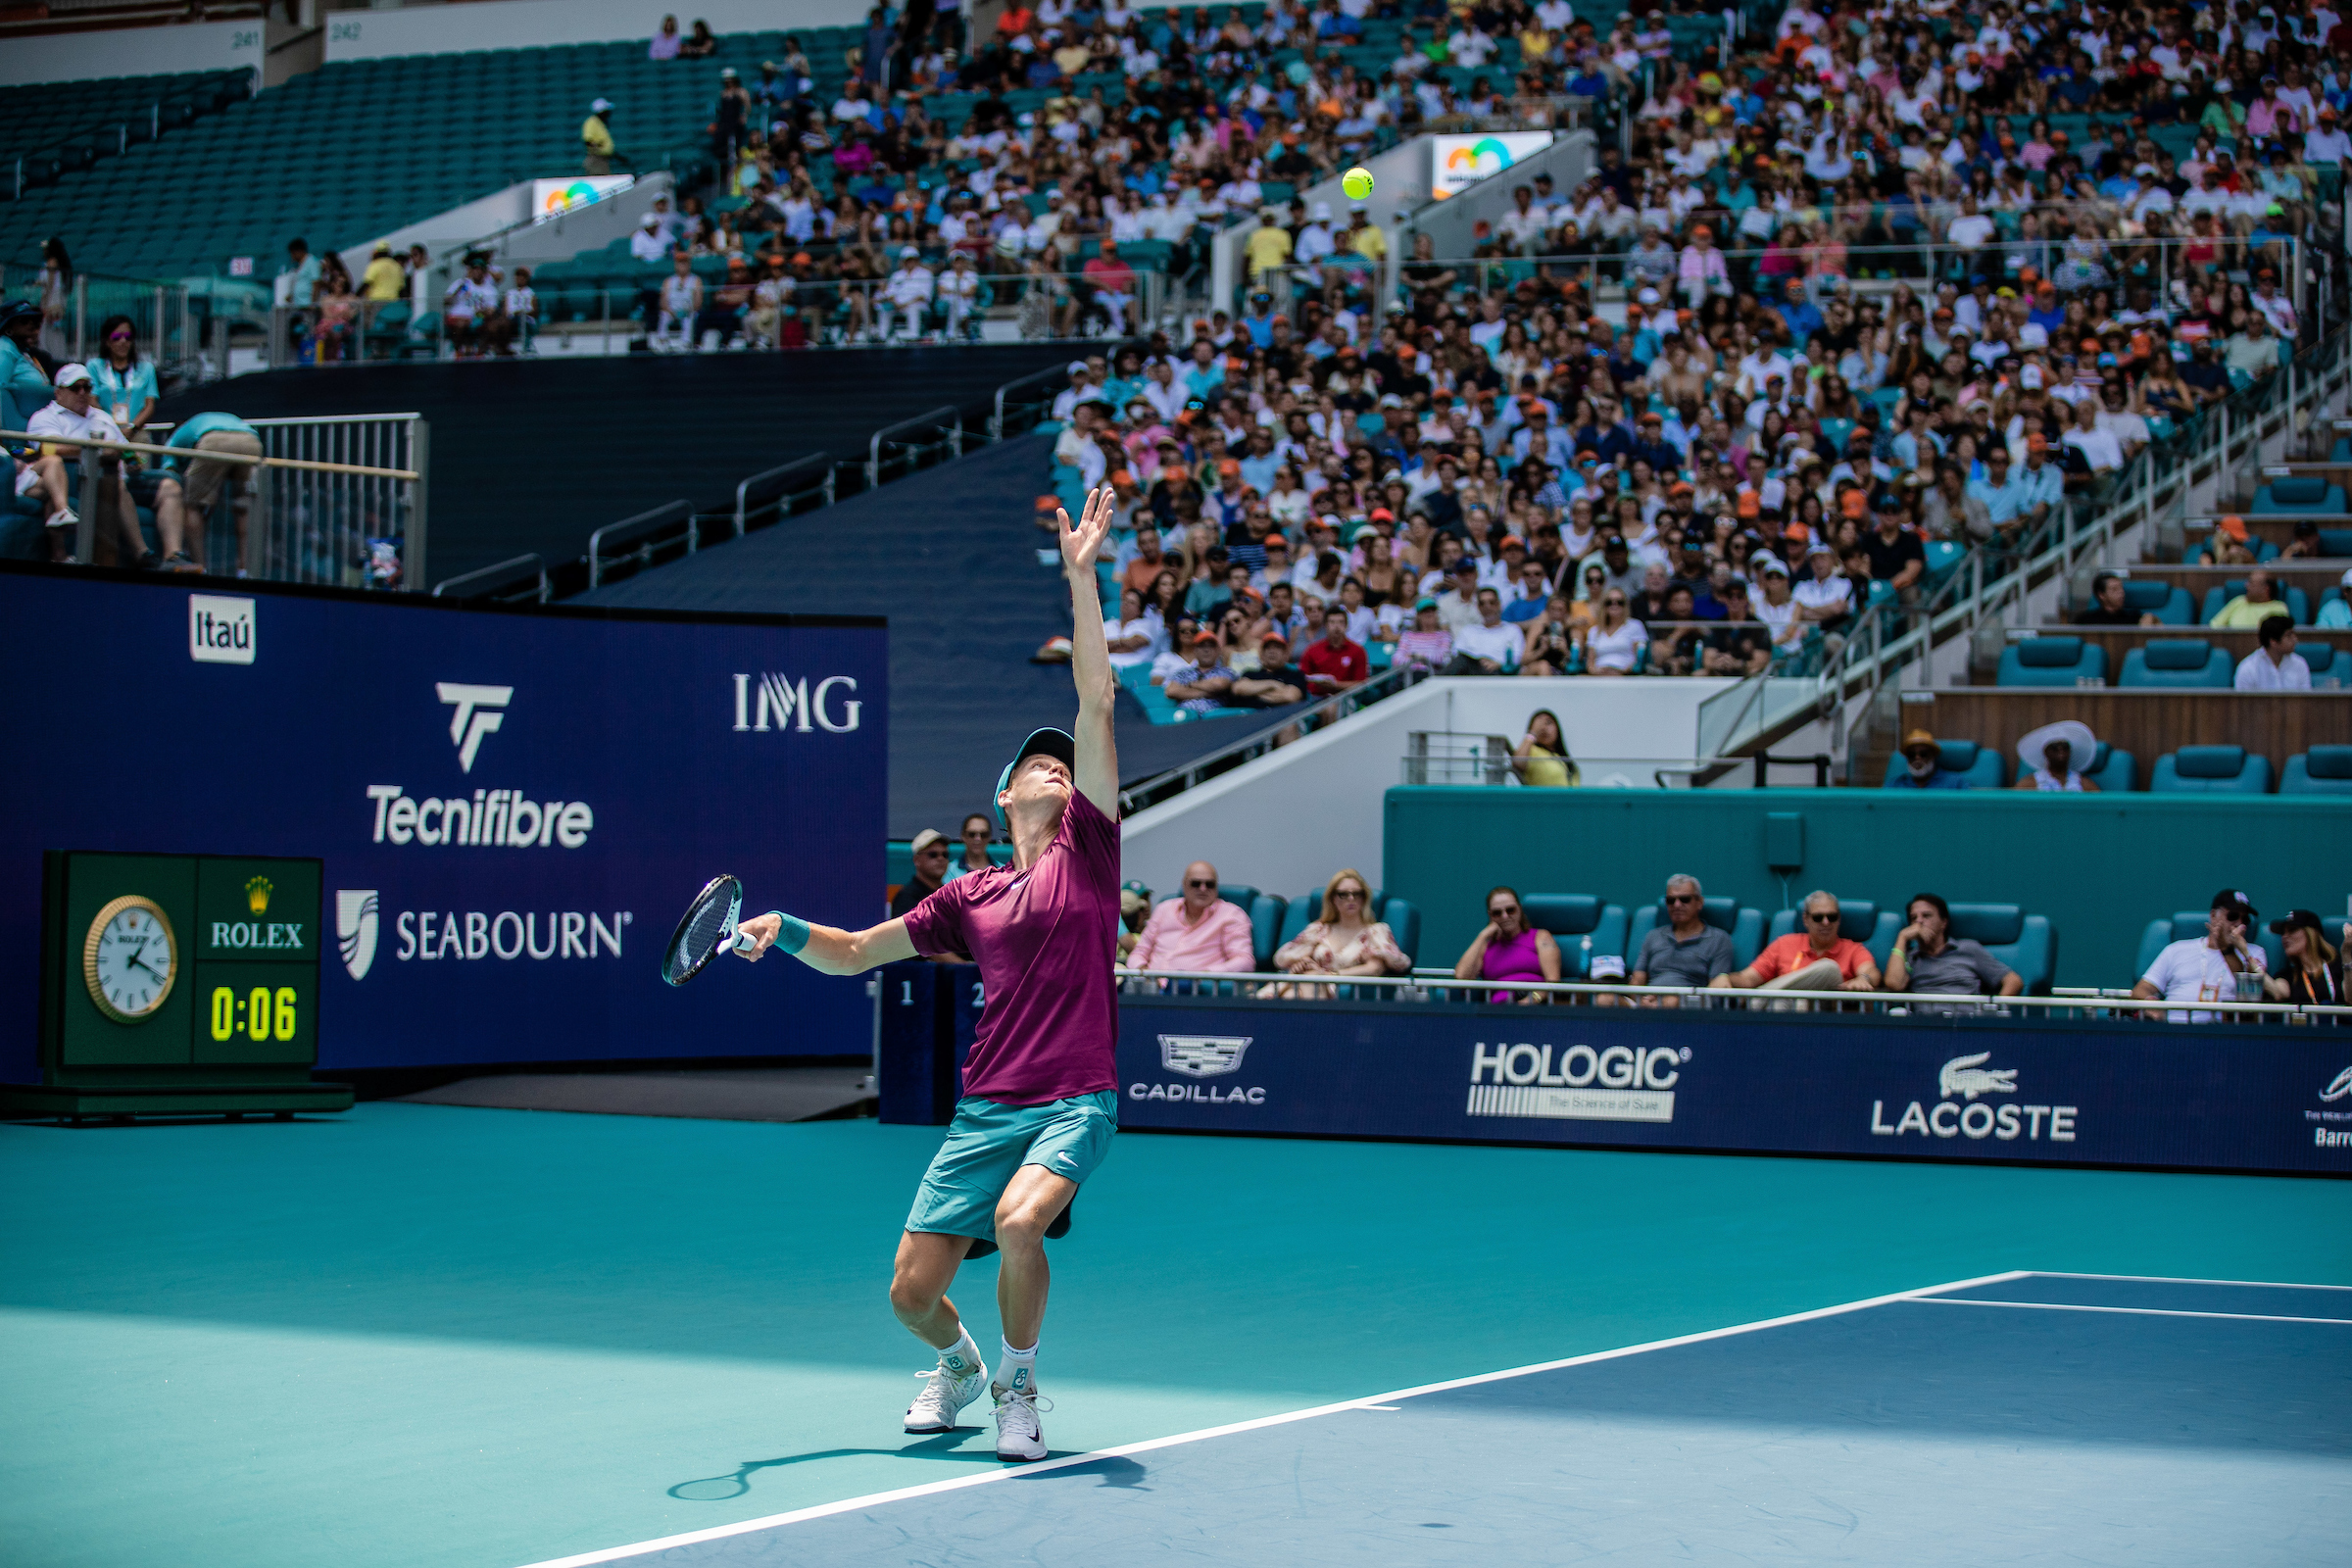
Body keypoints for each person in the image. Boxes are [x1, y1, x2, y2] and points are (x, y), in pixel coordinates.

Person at [733, 485, 1123, 1463]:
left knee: (1019, 1219)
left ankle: (1019, 1388)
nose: (1056, 766)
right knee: (911, 1290)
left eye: (1064, 764)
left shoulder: (1092, 852)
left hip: (1075, 1095)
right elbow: (858, 950)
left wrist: (1082, 580)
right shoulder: (971, 896)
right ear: (1002, 792)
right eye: (1038, 764)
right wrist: (783, 928)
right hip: (987, 1104)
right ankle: (956, 1364)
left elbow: (1096, 698)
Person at [19, 363, 143, 565]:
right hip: (85, 481)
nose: (83, 393)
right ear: (58, 393)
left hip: (125, 476)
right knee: (113, 485)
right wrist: (98, 448)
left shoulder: (102, 416)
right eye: (76, 388)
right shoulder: (45, 417)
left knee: (168, 486)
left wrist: (135, 461)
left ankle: (172, 557)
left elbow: (127, 449)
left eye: (87, 388)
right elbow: (49, 450)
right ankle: (141, 555)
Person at [1265, 868, 1408, 999]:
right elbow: (1283, 958)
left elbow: (1375, 968)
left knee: (1310, 981)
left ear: (1364, 898)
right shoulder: (1318, 929)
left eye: (1357, 894)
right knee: (1291, 995)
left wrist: (1329, 975)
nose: (1351, 899)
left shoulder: (1375, 931)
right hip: (1311, 985)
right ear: (1333, 899)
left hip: (1344, 990)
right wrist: (1301, 962)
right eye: (1343, 895)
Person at [2132, 889, 2267, 1023]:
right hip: (2174, 1030)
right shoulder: (2177, 949)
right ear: (2213, 915)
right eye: (2232, 916)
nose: (2239, 924)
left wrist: (2226, 949)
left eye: (2245, 919)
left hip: (2223, 1034)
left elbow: (2249, 996)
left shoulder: (2253, 953)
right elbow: (2141, 990)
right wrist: (2152, 1005)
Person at [1713, 890, 1880, 994]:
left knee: (1829, 968)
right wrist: (1725, 978)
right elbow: (1748, 978)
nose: (1826, 923)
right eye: (1818, 918)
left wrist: (1864, 979)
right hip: (1788, 1017)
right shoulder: (1784, 944)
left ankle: (1763, 996)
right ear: (1806, 920)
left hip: (1828, 1016)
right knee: (1788, 1003)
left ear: (1839, 920)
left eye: (1832, 917)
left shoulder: (1853, 949)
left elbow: (1871, 972)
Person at [1882, 893, 2022, 1007]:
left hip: (1967, 1024)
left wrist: (1994, 1013)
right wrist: (1902, 937)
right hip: (1927, 1027)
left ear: (1943, 923)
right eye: (1913, 918)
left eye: (1927, 916)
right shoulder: (1910, 957)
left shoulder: (1968, 949)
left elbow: (2013, 981)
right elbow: (1895, 984)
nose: (1919, 922)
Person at [1622, 874, 1737, 1005]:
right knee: (1605, 999)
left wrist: (1665, 1003)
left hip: (1688, 1007)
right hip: (1647, 1002)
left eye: (1685, 899)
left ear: (1699, 902)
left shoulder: (1719, 939)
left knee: (1671, 1002)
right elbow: (1637, 980)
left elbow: (1716, 989)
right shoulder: (1653, 936)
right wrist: (1642, 1001)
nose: (1677, 905)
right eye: (1671, 900)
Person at [1125, 861, 1254, 973]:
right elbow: (1139, 953)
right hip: (1150, 992)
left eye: (1209, 884)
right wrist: (1143, 972)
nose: (1203, 889)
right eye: (1196, 883)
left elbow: (1244, 962)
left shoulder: (1231, 915)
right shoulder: (1163, 909)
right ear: (1184, 885)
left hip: (1198, 996)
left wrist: (1206, 975)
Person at [1453, 886, 1560, 1004]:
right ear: (1490, 916)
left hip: (1533, 1008)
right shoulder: (1486, 946)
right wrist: (1483, 935)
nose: (1505, 916)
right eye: (1497, 913)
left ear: (1519, 909)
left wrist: (1532, 1000)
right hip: (1498, 1011)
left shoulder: (1541, 937)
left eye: (1510, 910)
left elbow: (1553, 982)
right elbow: (1461, 977)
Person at [2261, 909, 2343, 1017]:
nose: (2285, 937)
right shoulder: (2288, 975)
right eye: (2283, 932)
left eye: (2292, 930)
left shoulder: (2339, 966)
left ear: (2311, 934)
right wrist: (2250, 961)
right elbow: (2278, 992)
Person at [1443, 588, 1522, 675]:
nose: (1487, 607)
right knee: (1461, 660)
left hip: (1498, 672)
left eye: (1492, 603)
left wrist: (1499, 664)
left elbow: (1518, 657)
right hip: (1470, 672)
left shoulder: (1512, 630)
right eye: (1482, 603)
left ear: (1499, 604)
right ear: (1478, 607)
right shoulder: (1468, 631)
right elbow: (1456, 655)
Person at [2011, 719, 2100, 792]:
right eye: (2054, 748)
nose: (2061, 751)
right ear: (2046, 752)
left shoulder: (2085, 784)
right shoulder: (2029, 784)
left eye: (2065, 747)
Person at [1297, 607, 1368, 693]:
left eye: (1341, 622)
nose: (1336, 626)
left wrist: (1336, 685)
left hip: (1345, 696)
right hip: (1316, 698)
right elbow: (1302, 677)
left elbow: (1361, 683)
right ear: (1325, 625)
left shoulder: (1357, 651)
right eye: (1332, 622)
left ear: (1346, 626)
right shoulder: (1312, 650)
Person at [2234, 615, 2311, 691]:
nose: (2295, 639)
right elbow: (2244, 702)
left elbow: (2305, 700)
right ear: (2273, 642)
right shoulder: (2248, 669)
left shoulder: (2300, 664)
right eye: (2289, 636)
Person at [892, 829, 954, 918]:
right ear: (916, 860)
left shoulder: (950, 895)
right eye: (933, 854)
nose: (940, 859)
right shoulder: (906, 898)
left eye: (945, 855)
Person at [1510, 708, 1577, 786]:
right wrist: (1532, 734)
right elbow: (1518, 762)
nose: (1544, 728)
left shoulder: (1564, 759)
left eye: (1548, 723)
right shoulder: (1532, 751)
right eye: (1539, 724)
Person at [2209, 568, 2292, 629]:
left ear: (2266, 589)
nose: (2246, 586)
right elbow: (2214, 627)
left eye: (2251, 583)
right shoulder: (2239, 601)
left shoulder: (2279, 608)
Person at [1887, 729, 1970, 789]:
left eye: (1923, 754)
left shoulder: (1955, 783)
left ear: (1933, 756)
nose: (1917, 758)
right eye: (1911, 755)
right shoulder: (1896, 784)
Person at [2073, 570, 2160, 626]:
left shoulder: (2133, 617)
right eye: (2114, 589)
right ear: (2101, 595)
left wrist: (2150, 619)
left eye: (2121, 588)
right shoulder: (2086, 620)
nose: (2121, 593)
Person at [946, 812, 998, 881]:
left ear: (990, 837)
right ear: (963, 836)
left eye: (983, 835)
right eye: (972, 834)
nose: (978, 839)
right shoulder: (948, 872)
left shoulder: (1002, 871)